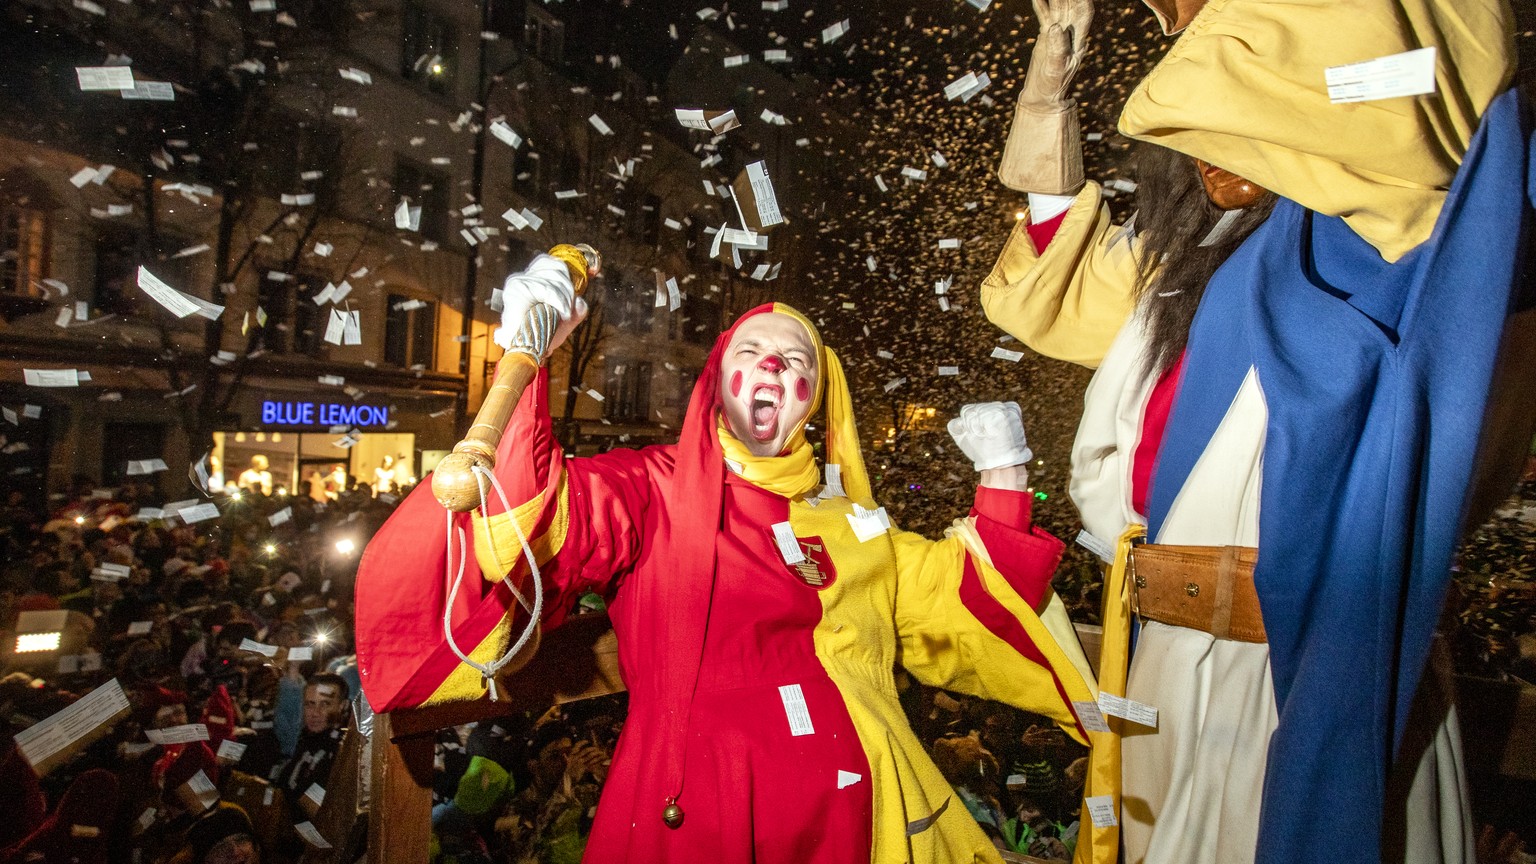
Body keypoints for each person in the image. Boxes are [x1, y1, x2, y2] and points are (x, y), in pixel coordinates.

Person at [980, 1, 1532, 863]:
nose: (1207, 139)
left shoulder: (1388, 231)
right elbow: (1062, 293)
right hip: (1164, 662)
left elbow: (1417, 65)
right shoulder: (1201, 252)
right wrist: (1052, 87)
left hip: (1295, 669)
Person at [356, 254, 1100, 863]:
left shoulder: (856, 524)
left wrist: (1005, 474)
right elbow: (527, 520)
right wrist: (528, 360)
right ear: (716, 381)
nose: (773, 368)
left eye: (793, 358)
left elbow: (966, 602)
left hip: (866, 814)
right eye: (752, 352)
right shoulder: (653, 488)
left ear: (817, 395)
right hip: (701, 818)